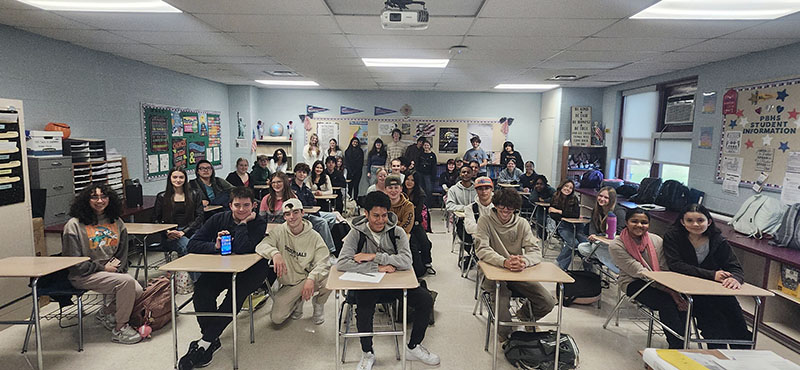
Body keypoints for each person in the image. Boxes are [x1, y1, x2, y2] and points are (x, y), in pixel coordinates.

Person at [336, 191, 440, 369]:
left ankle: (414, 346)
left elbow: (406, 262)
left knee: (424, 300)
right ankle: (367, 353)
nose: (380, 220)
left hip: (394, 283)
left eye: (384, 215)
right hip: (368, 283)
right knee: (364, 311)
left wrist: (373, 257)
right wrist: (377, 268)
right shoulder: (356, 233)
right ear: (365, 213)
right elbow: (343, 263)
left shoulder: (397, 231)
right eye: (375, 215)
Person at [180, 187, 269, 370]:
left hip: (252, 270)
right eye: (237, 205)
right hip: (223, 268)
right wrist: (215, 246)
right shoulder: (218, 219)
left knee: (233, 299)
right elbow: (193, 244)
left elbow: (245, 247)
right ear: (230, 205)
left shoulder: (259, 222)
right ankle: (212, 339)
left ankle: (205, 343)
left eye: (246, 205)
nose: (242, 210)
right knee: (202, 292)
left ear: (253, 205)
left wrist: (243, 224)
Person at [62, 184, 143, 345]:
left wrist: (116, 268)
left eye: (103, 197)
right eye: (94, 197)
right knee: (126, 283)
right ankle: (120, 328)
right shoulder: (74, 225)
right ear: (86, 200)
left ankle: (106, 312)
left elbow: (121, 253)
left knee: (138, 290)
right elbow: (73, 262)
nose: (100, 200)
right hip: (84, 274)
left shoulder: (117, 222)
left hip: (110, 271)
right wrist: (103, 268)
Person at [663, 204, 752, 348]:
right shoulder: (673, 236)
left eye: (700, 220)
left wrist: (735, 278)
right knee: (714, 323)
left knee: (736, 319)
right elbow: (676, 265)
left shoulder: (717, 239)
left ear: (709, 222)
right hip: (687, 289)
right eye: (690, 220)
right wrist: (712, 275)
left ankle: (742, 358)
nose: (695, 224)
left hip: (715, 289)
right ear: (682, 222)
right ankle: (717, 356)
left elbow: (734, 266)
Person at [474, 188, 556, 342]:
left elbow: (535, 251)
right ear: (496, 205)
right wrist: (504, 262)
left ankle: (524, 315)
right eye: (502, 207)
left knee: (547, 301)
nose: (505, 211)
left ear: (515, 208)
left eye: (510, 208)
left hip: (517, 272)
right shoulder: (485, 221)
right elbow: (482, 249)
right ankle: (506, 335)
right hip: (493, 272)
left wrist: (524, 261)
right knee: (502, 303)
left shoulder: (522, 223)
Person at [609, 208, 686, 349]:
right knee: (667, 302)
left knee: (684, 302)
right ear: (626, 222)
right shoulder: (617, 244)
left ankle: (683, 341)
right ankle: (677, 346)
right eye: (634, 221)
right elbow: (638, 271)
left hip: (660, 281)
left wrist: (674, 291)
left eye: (644, 222)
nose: (639, 225)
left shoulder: (656, 240)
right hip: (633, 282)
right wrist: (670, 292)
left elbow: (664, 267)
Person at [256, 198, 331, 326]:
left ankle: (318, 303)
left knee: (329, 279)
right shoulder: (279, 231)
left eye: (295, 212)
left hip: (308, 277)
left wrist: (312, 278)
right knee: (277, 318)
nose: (292, 217)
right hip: (291, 283)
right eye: (287, 214)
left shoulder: (314, 236)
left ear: (302, 213)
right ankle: (298, 300)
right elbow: (261, 246)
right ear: (284, 216)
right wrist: (275, 253)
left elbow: (324, 261)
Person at [154, 167, 204, 258]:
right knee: (187, 246)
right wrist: (167, 232)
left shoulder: (195, 194)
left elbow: (200, 216)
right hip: (171, 234)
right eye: (175, 177)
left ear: (185, 179)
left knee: (198, 246)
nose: (178, 180)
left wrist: (184, 232)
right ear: (170, 178)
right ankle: (191, 271)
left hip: (191, 230)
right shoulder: (162, 196)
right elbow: (156, 219)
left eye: (181, 177)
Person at [291, 163, 338, 254]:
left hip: (311, 212)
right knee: (322, 222)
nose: (302, 174)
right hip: (301, 215)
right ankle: (329, 251)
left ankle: (318, 241)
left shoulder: (305, 188)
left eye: (304, 172)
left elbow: (312, 202)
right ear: (295, 173)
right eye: (299, 172)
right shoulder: (291, 188)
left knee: (332, 216)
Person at [577, 187, 626, 273]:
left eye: (606, 197)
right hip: (599, 243)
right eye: (600, 196)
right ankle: (605, 259)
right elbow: (592, 227)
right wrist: (593, 236)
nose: (602, 199)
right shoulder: (596, 210)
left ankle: (618, 271)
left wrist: (598, 237)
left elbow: (619, 233)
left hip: (613, 243)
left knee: (595, 246)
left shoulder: (619, 212)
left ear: (611, 199)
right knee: (581, 247)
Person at [549, 179, 585, 270]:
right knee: (574, 243)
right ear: (562, 186)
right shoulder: (555, 196)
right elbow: (552, 214)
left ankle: (588, 268)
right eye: (566, 186)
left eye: (570, 188)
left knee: (585, 244)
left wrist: (559, 211)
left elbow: (575, 215)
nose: (568, 189)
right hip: (563, 226)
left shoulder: (574, 199)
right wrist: (564, 215)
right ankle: (560, 265)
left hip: (577, 226)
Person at [404, 171, 434, 275]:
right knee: (414, 245)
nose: (409, 182)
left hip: (416, 223)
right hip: (404, 224)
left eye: (412, 180)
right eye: (407, 179)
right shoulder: (400, 192)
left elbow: (417, 213)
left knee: (426, 243)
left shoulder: (420, 194)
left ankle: (427, 263)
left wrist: (409, 210)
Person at [530, 175, 556, 239]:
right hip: (541, 208)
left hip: (552, 208)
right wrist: (536, 192)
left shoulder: (551, 190)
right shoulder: (536, 190)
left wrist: (544, 200)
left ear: (545, 184)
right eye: (537, 184)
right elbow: (532, 199)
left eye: (541, 184)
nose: (539, 186)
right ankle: (542, 236)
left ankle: (552, 235)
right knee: (540, 219)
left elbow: (555, 199)